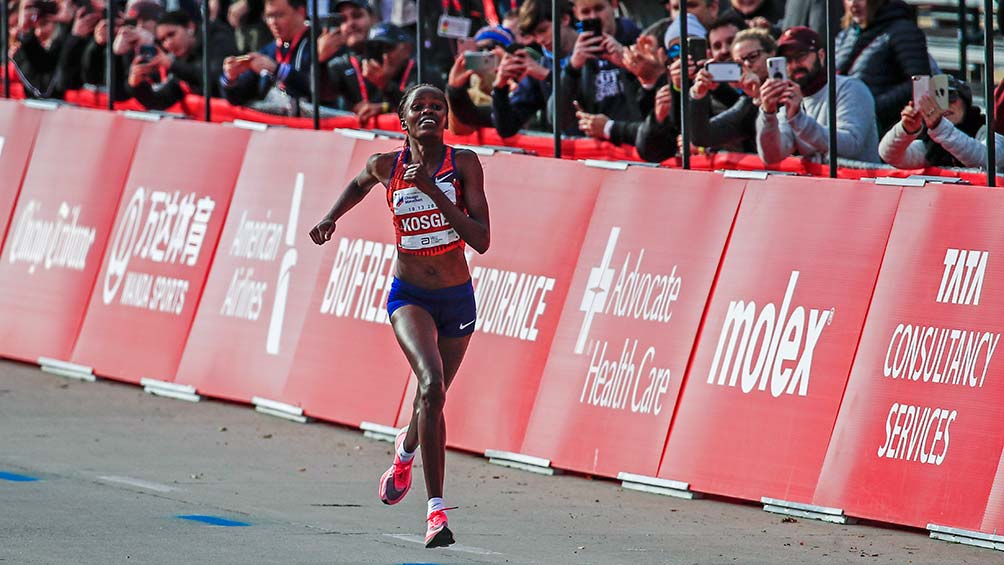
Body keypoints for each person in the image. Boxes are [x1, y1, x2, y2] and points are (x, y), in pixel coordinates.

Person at [309, 84, 490, 549]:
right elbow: (358, 184)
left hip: (457, 299)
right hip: (409, 296)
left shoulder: (464, 164)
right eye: (419, 108)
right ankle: (436, 513)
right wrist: (332, 218)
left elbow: (482, 239)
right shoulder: (385, 166)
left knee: (434, 397)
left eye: (437, 107)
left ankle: (405, 451)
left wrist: (434, 191)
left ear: (445, 120)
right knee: (430, 385)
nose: (428, 112)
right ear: (403, 121)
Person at [756, 26, 879, 165]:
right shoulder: (791, 98)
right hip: (817, 185)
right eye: (787, 60)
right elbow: (772, 156)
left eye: (801, 55)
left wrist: (798, 118)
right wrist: (768, 113)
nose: (794, 65)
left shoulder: (850, 88)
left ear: (821, 55)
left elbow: (851, 145)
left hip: (859, 183)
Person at [834, 0, 931, 133]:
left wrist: (872, 106)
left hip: (887, 131)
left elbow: (920, 83)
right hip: (849, 125)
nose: (853, 3)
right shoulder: (846, 34)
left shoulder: (902, 31)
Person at [879, 76, 1004, 171]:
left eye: (950, 96)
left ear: (965, 102)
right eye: (935, 100)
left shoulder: (986, 129)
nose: (944, 106)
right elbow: (890, 155)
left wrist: (939, 127)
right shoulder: (932, 144)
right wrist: (905, 129)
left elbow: (987, 159)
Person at [687, 27, 776, 154]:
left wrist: (760, 97)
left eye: (753, 57)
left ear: (772, 53)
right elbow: (702, 137)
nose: (747, 65)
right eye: (739, 63)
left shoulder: (795, 86)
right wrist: (698, 95)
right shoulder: (747, 103)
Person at [127, 10, 238, 110]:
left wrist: (172, 65)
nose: (168, 44)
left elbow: (214, 80)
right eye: (163, 40)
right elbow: (161, 100)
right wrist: (137, 85)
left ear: (190, 27)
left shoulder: (218, 39)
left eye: (171, 34)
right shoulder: (180, 61)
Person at [220, 0, 315, 113]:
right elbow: (237, 98)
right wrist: (231, 78)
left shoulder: (319, 43)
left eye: (279, 15)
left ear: (301, 12)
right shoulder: (269, 50)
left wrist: (278, 70)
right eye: (268, 16)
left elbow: (317, 88)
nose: (273, 22)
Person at [324, 22, 416, 121]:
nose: (384, 56)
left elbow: (417, 107)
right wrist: (320, 61)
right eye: (376, 49)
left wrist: (386, 87)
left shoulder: (420, 72)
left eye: (389, 48)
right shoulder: (366, 71)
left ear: (407, 49)